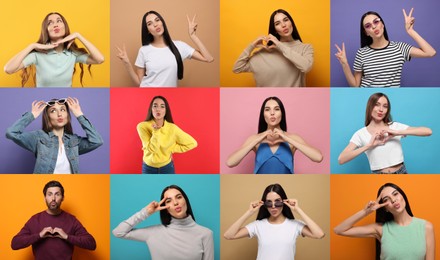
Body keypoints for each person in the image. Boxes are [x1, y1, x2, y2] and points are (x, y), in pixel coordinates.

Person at [335, 8, 436, 87]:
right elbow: (356, 86)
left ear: (382, 24)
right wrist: (345, 64)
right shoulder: (361, 53)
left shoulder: (399, 48)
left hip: (389, 100)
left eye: (376, 22)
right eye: (368, 26)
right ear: (366, 32)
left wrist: (410, 31)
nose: (374, 27)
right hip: (368, 98)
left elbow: (430, 52)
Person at [334, 182, 435, 260]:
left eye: (395, 194)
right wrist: (366, 212)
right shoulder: (381, 229)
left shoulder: (426, 227)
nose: (393, 200)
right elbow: (339, 230)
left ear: (403, 196)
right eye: (387, 199)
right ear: (385, 208)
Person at [224, 183, 324, 260]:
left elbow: (319, 234)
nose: (273, 206)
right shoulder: (258, 225)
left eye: (277, 202)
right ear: (264, 204)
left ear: (284, 202)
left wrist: (298, 210)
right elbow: (228, 235)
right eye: (269, 202)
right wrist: (249, 212)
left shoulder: (295, 225)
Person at [113, 185, 214, 260]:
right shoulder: (153, 233)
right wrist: (146, 212)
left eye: (178, 197)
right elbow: (118, 232)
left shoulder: (205, 233)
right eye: (168, 201)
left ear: (185, 200)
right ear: (165, 208)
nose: (175, 203)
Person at [338, 92, 432, 173]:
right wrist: (368, 146)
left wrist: (397, 132)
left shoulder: (394, 126)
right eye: (377, 104)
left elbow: (428, 131)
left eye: (385, 106)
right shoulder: (360, 133)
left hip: (401, 172)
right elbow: (341, 159)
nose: (381, 110)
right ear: (370, 106)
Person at [4, 12, 104, 87]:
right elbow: (8, 69)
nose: (55, 25)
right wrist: (32, 46)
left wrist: (78, 35)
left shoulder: (73, 54)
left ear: (65, 26)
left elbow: (100, 59)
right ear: (46, 30)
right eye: (50, 23)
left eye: (59, 21)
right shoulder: (37, 55)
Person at [5, 97, 103, 173]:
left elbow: (97, 141)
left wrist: (79, 114)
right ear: (48, 117)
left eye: (63, 110)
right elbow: (11, 133)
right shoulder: (39, 138)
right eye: (53, 111)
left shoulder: (74, 141)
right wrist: (31, 115)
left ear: (68, 115)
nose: (59, 114)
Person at [226, 96, 323, 174]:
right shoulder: (255, 139)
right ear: (263, 114)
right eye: (267, 110)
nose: (272, 113)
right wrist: (257, 140)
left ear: (282, 113)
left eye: (276, 109)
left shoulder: (293, 138)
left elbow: (318, 157)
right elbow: (230, 162)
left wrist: (286, 138)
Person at [116, 11, 214, 87]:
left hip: (170, 95)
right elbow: (140, 83)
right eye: (150, 23)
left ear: (162, 22)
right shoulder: (144, 50)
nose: (155, 24)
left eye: (157, 20)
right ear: (147, 30)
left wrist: (193, 36)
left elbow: (209, 59)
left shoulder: (179, 46)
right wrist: (127, 63)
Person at [11, 180, 96, 260]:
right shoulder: (35, 220)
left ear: (62, 198)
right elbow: (15, 244)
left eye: (57, 194)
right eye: (50, 194)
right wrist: (39, 235)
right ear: (45, 198)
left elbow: (91, 244)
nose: (53, 198)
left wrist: (66, 236)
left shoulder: (72, 220)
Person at [233, 9, 313, 87]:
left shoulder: (305, 48)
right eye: (277, 23)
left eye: (286, 20)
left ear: (291, 22)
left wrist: (279, 45)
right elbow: (237, 68)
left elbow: (306, 67)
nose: (283, 25)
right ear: (275, 30)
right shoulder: (263, 53)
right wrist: (252, 46)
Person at [137, 96, 197, 174]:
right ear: (151, 109)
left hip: (167, 168)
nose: (158, 109)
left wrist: (171, 149)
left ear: (166, 110)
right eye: (155, 106)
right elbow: (152, 149)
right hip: (148, 168)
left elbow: (193, 143)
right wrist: (156, 131)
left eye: (162, 106)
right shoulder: (142, 126)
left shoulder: (172, 128)